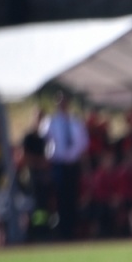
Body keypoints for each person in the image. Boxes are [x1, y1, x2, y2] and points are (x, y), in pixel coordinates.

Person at [39, 91, 87, 240]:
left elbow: (83, 144)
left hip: (72, 165)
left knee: (73, 197)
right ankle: (61, 230)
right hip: (58, 164)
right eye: (60, 102)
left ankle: (73, 230)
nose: (63, 105)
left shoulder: (75, 122)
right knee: (60, 197)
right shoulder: (50, 122)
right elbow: (44, 141)